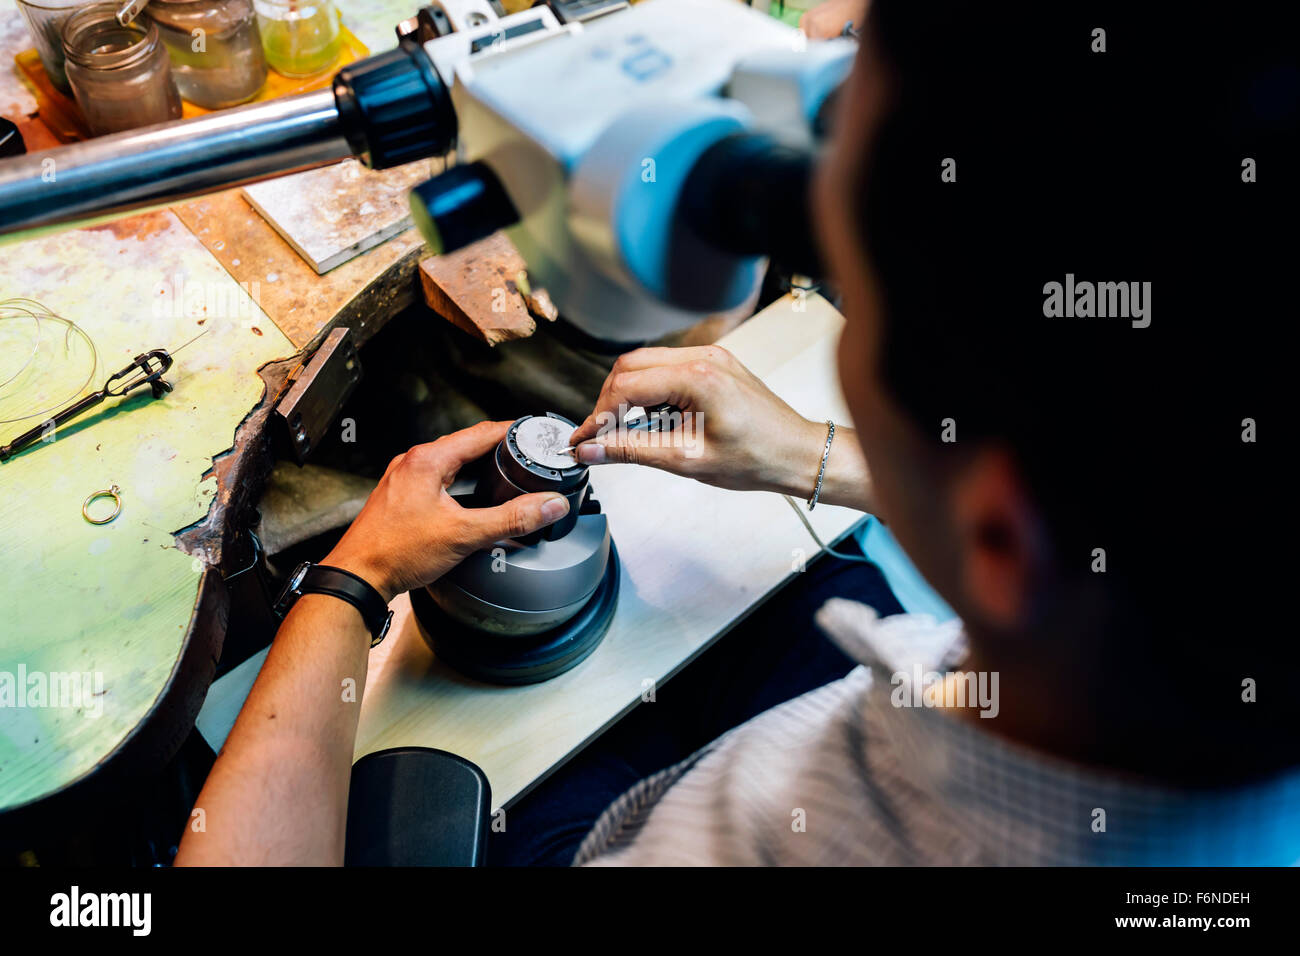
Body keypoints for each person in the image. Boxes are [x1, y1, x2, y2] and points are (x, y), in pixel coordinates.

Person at [177, 0, 1294, 866]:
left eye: (860, 291)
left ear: (1001, 539)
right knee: (799, 593)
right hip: (898, 701)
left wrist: (349, 581)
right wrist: (809, 453)